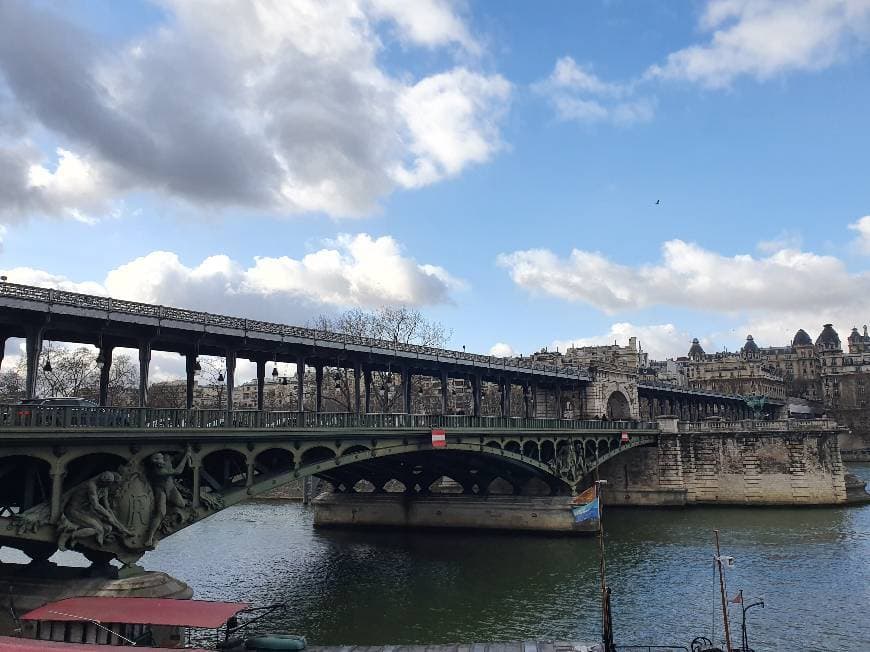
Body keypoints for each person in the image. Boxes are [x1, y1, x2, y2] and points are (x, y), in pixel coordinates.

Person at [57, 471, 132, 550]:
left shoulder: (104, 488)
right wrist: (108, 515)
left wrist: (119, 525)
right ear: (101, 481)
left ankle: (77, 538)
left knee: (107, 528)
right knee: (98, 529)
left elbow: (107, 507)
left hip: (86, 511)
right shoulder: (91, 486)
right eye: (106, 484)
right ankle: (68, 534)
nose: (108, 487)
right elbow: (96, 505)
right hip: (75, 511)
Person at [145, 448, 192, 547]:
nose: (159, 462)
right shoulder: (158, 471)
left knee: (182, 504)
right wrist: (186, 456)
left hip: (171, 488)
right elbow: (178, 471)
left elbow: (175, 458)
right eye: (157, 460)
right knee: (160, 512)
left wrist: (184, 453)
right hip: (160, 490)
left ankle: (167, 517)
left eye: (160, 459)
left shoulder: (167, 459)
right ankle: (149, 538)